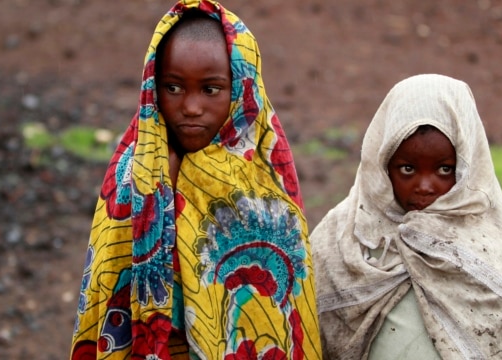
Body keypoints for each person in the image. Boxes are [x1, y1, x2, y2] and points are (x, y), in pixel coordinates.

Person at [70, 1, 322, 358]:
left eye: (211, 89)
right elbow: (108, 291)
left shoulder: (266, 179)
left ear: (241, 90)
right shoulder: (134, 173)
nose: (190, 106)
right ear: (152, 86)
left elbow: (283, 317)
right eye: (173, 88)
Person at [311, 74, 502, 359]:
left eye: (444, 170)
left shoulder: (493, 249)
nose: (425, 186)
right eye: (407, 169)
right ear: (382, 165)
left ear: (465, 167)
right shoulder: (341, 238)